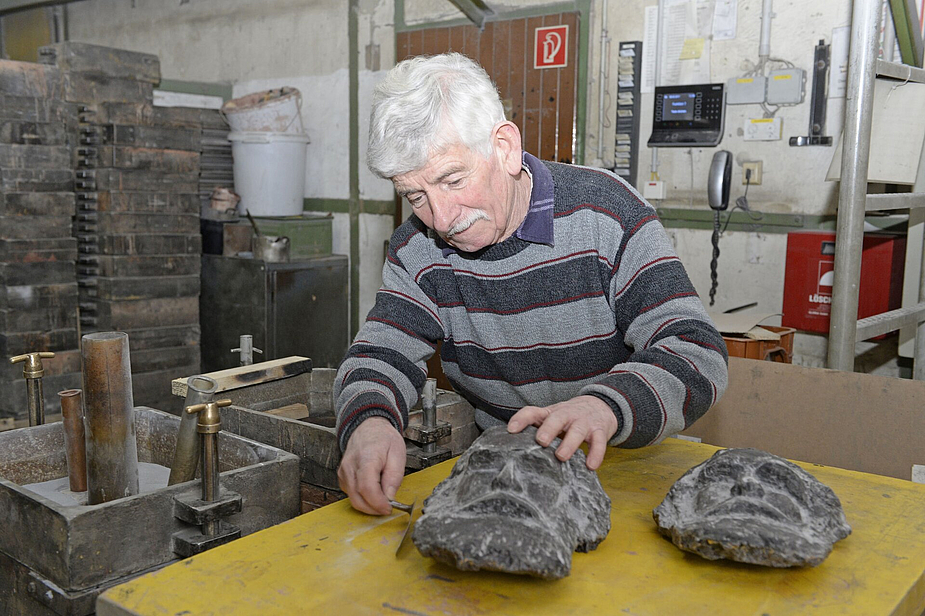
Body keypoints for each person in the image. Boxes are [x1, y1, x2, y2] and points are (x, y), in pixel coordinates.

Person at [335, 52, 728, 516]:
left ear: (503, 147)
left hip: (628, 467)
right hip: (508, 478)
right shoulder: (416, 250)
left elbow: (695, 351)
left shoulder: (605, 215)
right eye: (416, 195)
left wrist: (605, 408)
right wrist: (370, 423)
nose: (441, 218)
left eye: (453, 179)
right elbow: (381, 354)